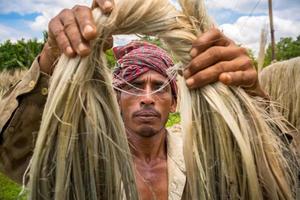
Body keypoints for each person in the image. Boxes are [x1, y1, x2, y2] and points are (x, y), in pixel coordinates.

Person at [0, 0, 269, 199]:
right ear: (116, 98)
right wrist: (52, 55)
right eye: (134, 85)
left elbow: (272, 178)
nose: (148, 98)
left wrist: (252, 94)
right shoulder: (85, 158)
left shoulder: (203, 157)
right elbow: (12, 154)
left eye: (160, 88)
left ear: (174, 102)